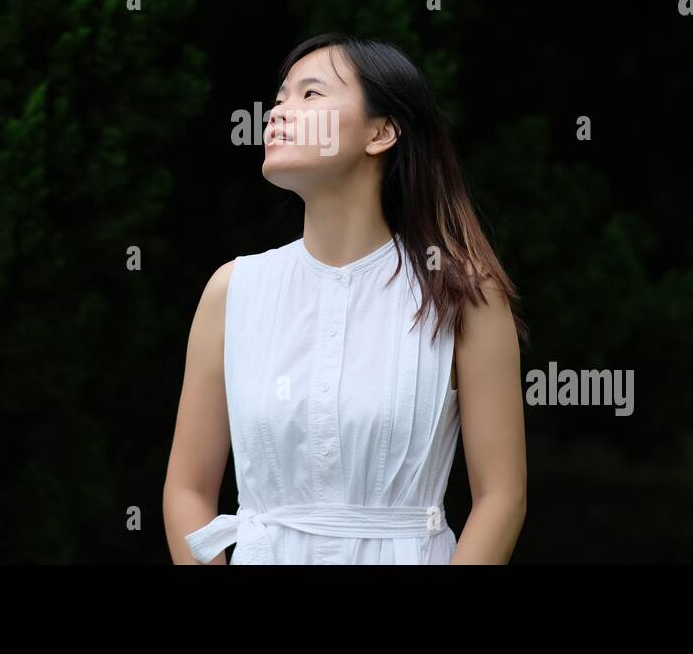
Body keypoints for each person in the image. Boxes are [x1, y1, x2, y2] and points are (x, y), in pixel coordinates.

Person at [163, 32, 528, 564]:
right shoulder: (234, 290)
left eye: (310, 95)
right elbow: (186, 491)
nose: (278, 113)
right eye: (281, 96)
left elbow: (502, 497)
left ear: (381, 133)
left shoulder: (461, 293)